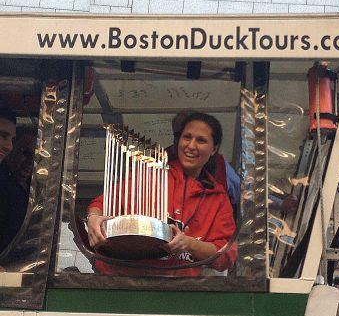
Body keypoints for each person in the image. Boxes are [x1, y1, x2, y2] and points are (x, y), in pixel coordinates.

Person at [87, 112, 237, 276]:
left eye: (201, 140)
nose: (191, 146)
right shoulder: (148, 176)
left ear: (214, 148)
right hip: (124, 281)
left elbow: (226, 255)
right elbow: (100, 204)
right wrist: (93, 218)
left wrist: (189, 244)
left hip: (178, 290)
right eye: (187, 137)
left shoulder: (218, 197)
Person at [0, 120, 36, 254]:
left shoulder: (34, 190)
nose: (30, 162)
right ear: (12, 149)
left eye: (35, 156)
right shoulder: (3, 182)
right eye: (26, 153)